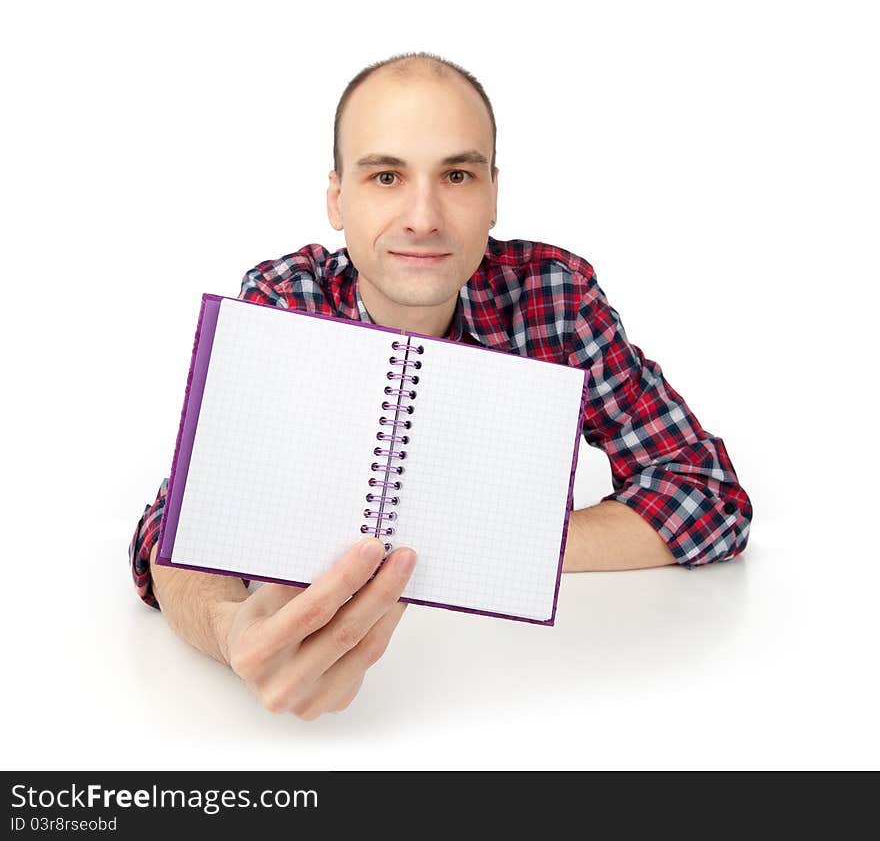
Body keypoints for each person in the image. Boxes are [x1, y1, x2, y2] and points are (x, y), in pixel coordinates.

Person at [129, 51, 752, 720]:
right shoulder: (284, 299)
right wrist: (233, 632)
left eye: (456, 174)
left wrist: (488, 548)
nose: (423, 216)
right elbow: (173, 527)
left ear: (492, 194)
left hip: (532, 685)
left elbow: (708, 495)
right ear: (338, 198)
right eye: (386, 175)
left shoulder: (554, 295)